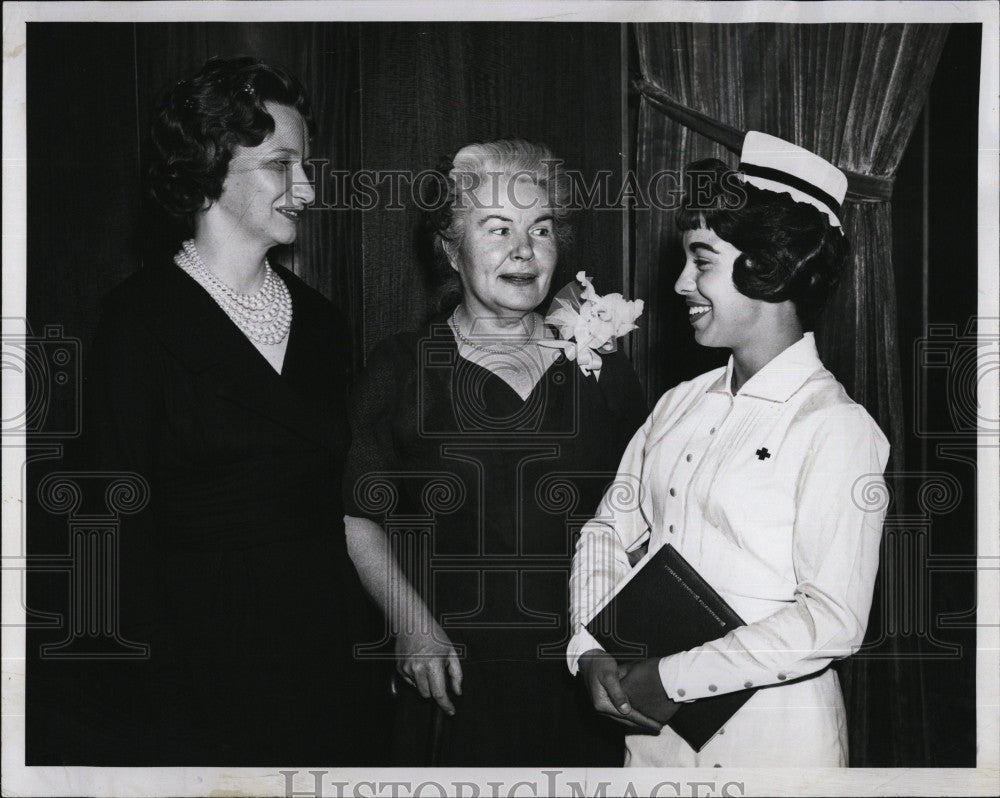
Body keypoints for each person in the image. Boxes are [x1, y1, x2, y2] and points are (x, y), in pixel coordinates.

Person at [77, 56, 375, 765]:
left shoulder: (324, 323)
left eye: (305, 166)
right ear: (211, 167)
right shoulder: (137, 320)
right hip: (190, 665)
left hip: (323, 654)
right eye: (280, 165)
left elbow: (348, 501)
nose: (305, 188)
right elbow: (109, 530)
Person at [568, 132, 890, 767]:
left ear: (768, 266)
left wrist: (671, 678)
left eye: (702, 260)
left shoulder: (837, 428)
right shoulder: (677, 405)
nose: (682, 282)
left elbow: (833, 619)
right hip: (652, 744)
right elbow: (607, 528)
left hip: (776, 751)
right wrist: (591, 646)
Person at [343, 139, 648, 766]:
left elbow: (643, 521)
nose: (523, 250)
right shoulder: (400, 368)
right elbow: (357, 516)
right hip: (452, 679)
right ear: (452, 249)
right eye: (497, 228)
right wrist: (412, 627)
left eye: (541, 229)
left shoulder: (603, 372)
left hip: (583, 679)